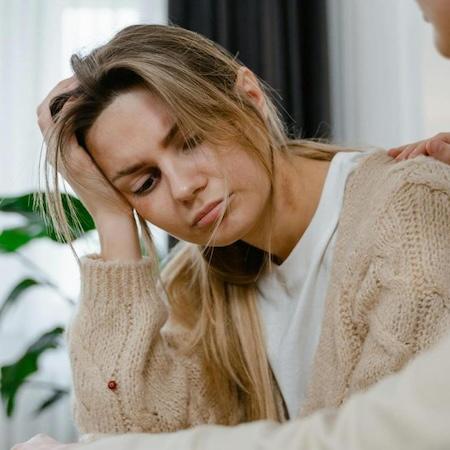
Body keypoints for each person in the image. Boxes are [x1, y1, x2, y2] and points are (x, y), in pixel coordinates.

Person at [15, 2, 450, 447]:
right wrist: (111, 218)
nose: (183, 187)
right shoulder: (194, 289)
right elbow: (120, 436)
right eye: (145, 183)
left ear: (250, 97)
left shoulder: (409, 209)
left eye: (191, 140)